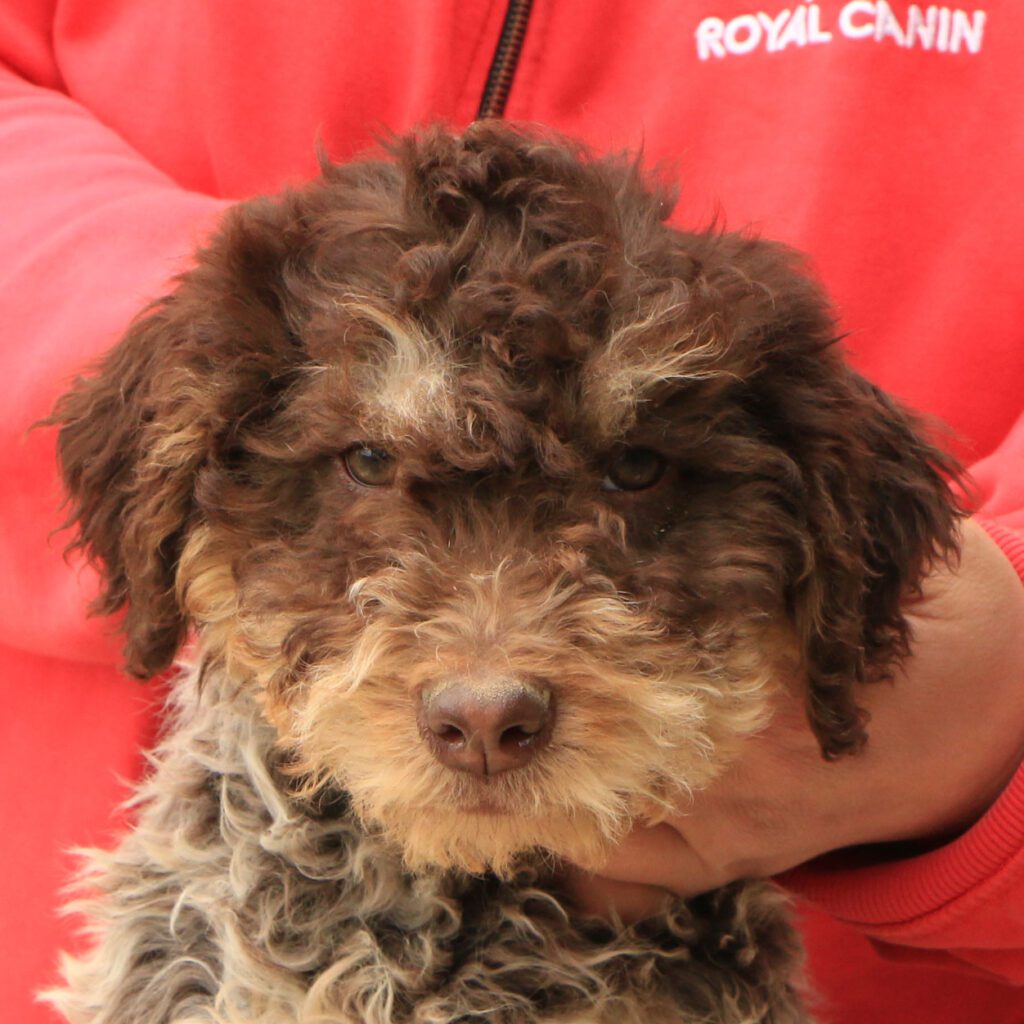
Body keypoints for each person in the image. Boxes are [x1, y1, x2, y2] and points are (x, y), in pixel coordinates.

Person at [2, 3, 1022, 1022]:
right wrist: (269, 336)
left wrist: (999, 692)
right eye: (365, 463)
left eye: (633, 473)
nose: (484, 686)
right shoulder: (224, 389)